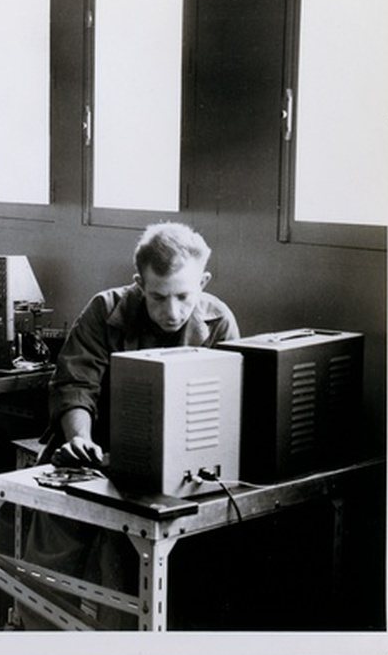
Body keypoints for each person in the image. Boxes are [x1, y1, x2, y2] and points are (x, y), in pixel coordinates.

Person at [22, 221, 240, 629]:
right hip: (92, 458)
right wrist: (80, 439)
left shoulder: (220, 323)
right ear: (138, 282)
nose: (171, 311)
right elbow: (75, 385)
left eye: (183, 296)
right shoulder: (104, 311)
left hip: (175, 475)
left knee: (133, 570)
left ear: (204, 281)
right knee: (51, 560)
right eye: (158, 296)